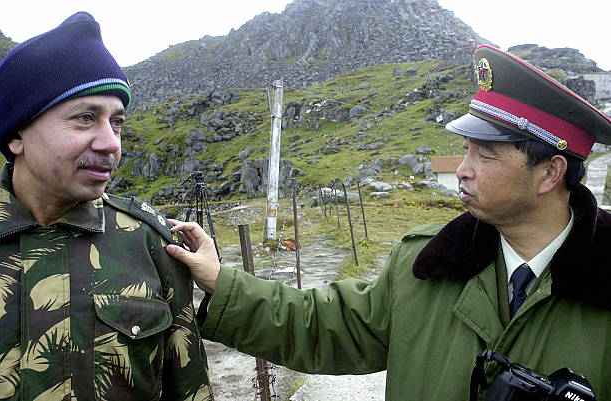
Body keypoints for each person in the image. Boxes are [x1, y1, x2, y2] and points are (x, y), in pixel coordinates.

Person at [168, 46, 611, 399]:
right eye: (465, 150)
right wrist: (220, 281)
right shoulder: (424, 264)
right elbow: (325, 326)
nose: (462, 169)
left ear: (550, 173)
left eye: (485, 153)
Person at [0, 12, 212, 400]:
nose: (111, 143)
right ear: (16, 134)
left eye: (117, 123)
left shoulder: (152, 242)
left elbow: (189, 387)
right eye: (85, 118)